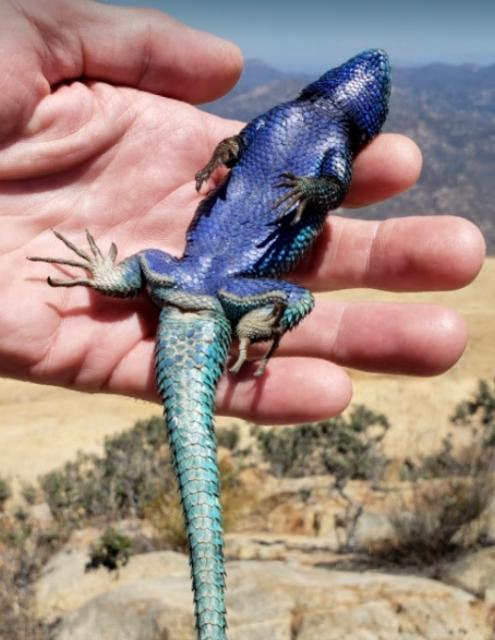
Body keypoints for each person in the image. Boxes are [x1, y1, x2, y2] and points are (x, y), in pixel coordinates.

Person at [0, 0, 485, 424]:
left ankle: (113, 278)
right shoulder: (334, 142)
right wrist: (286, 176)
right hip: (225, 291)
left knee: (148, 266)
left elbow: (252, 148)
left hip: (181, 274)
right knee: (298, 300)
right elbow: (317, 180)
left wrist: (247, 162)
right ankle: (249, 326)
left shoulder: (283, 115)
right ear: (370, 123)